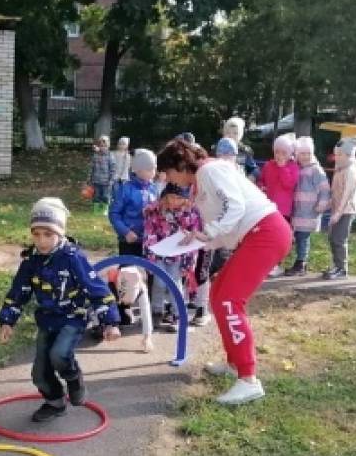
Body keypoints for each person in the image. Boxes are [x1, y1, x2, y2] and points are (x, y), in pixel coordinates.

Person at [157, 138, 292, 405]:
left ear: (181, 165)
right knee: (219, 294)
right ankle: (235, 362)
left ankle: (248, 379)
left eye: (170, 173)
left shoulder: (210, 170)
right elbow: (225, 228)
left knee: (230, 300)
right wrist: (199, 238)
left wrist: (207, 233)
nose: (170, 180)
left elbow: (236, 207)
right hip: (255, 234)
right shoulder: (202, 181)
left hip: (266, 232)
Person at [0, 198, 121, 422]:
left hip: (72, 318)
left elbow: (97, 289)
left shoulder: (73, 258)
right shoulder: (30, 262)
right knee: (39, 374)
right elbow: (18, 292)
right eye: (36, 234)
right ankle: (55, 402)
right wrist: (7, 320)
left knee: (59, 354)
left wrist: (110, 322)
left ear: (60, 233)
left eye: (48, 234)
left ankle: (74, 378)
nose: (42, 241)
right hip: (47, 319)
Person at [142, 183, 203, 331]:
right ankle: (156, 311)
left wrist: (189, 262)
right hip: (158, 254)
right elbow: (149, 233)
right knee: (159, 283)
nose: (174, 201)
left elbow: (194, 238)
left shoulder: (191, 213)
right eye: (171, 197)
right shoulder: (155, 211)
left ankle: (178, 315)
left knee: (175, 285)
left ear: (185, 199)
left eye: (178, 198)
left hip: (180, 255)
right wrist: (150, 256)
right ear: (165, 196)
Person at [285, 137, 331, 276]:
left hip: (310, 211)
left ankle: (301, 263)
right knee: (299, 236)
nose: (305, 157)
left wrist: (322, 205)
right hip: (299, 210)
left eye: (308, 153)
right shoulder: (298, 168)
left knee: (303, 237)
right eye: (302, 154)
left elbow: (324, 188)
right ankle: (299, 262)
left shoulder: (316, 170)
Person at [255, 134, 299, 276]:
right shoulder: (268, 165)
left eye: (283, 152)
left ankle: (277, 264)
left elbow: (289, 184)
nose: (279, 155)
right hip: (268, 208)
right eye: (277, 152)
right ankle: (267, 263)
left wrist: (282, 168)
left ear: (290, 153)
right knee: (268, 236)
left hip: (284, 210)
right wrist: (261, 186)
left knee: (280, 237)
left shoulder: (293, 167)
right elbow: (262, 180)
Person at [109, 148, 159, 257]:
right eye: (150, 169)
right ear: (138, 170)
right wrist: (125, 231)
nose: (154, 172)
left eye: (155, 168)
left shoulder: (154, 189)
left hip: (149, 240)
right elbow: (114, 213)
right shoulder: (125, 189)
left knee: (148, 271)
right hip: (129, 240)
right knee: (128, 270)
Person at [323, 136, 356, 280]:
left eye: (340, 154)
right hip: (337, 209)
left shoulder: (351, 170)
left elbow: (347, 193)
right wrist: (330, 203)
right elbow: (335, 190)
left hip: (346, 210)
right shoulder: (340, 168)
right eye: (336, 154)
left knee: (339, 239)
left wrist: (338, 213)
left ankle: (342, 269)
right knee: (332, 238)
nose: (337, 157)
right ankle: (336, 265)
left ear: (349, 155)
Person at [87, 135, 117, 213]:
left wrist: (111, 180)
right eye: (101, 146)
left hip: (106, 182)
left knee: (105, 196)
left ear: (108, 146)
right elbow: (91, 168)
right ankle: (96, 210)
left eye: (105, 146)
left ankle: (104, 210)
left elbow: (113, 169)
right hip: (96, 180)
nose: (103, 147)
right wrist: (89, 179)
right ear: (99, 146)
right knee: (96, 196)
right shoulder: (95, 156)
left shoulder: (111, 156)